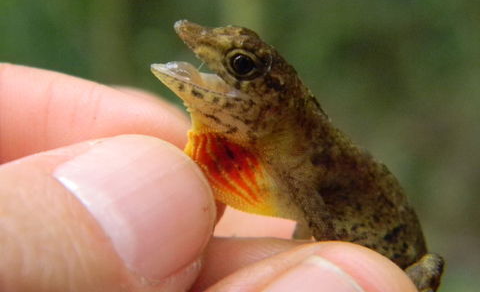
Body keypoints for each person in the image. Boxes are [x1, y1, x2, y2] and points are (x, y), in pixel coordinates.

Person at [0, 63, 417, 291]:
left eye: (240, 66)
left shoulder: (305, 162)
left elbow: (324, 239)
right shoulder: (293, 158)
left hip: (399, 257)